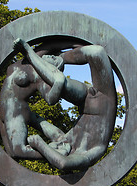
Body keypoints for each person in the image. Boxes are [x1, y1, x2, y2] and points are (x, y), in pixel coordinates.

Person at [14, 38, 117, 170]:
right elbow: (63, 164)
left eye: (53, 145)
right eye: (56, 148)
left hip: (87, 101)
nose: (56, 144)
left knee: (59, 82)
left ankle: (50, 62)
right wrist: (39, 144)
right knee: (96, 52)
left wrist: (24, 113)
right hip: (102, 99)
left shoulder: (65, 139)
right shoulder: (95, 149)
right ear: (64, 153)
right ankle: (54, 61)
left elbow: (40, 122)